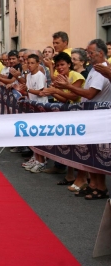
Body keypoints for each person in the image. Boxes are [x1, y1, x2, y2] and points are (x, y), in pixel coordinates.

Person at [64, 39, 111, 200]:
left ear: (100, 53)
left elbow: (90, 94)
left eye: (90, 53)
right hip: (91, 115)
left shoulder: (101, 70)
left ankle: (100, 186)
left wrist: (70, 87)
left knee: (96, 152)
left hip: (98, 117)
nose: (88, 55)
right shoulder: (95, 69)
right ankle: (93, 185)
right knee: (91, 151)